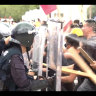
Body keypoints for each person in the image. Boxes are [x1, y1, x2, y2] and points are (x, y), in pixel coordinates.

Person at [0, 22, 54, 91]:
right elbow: (24, 84)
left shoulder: (13, 51)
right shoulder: (15, 56)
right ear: (27, 39)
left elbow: (22, 75)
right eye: (33, 38)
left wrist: (36, 78)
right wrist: (47, 82)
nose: (34, 41)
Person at [77, 19, 96, 91]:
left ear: (90, 29)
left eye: (84, 26)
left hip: (92, 80)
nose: (82, 29)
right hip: (87, 78)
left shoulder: (92, 42)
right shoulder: (87, 42)